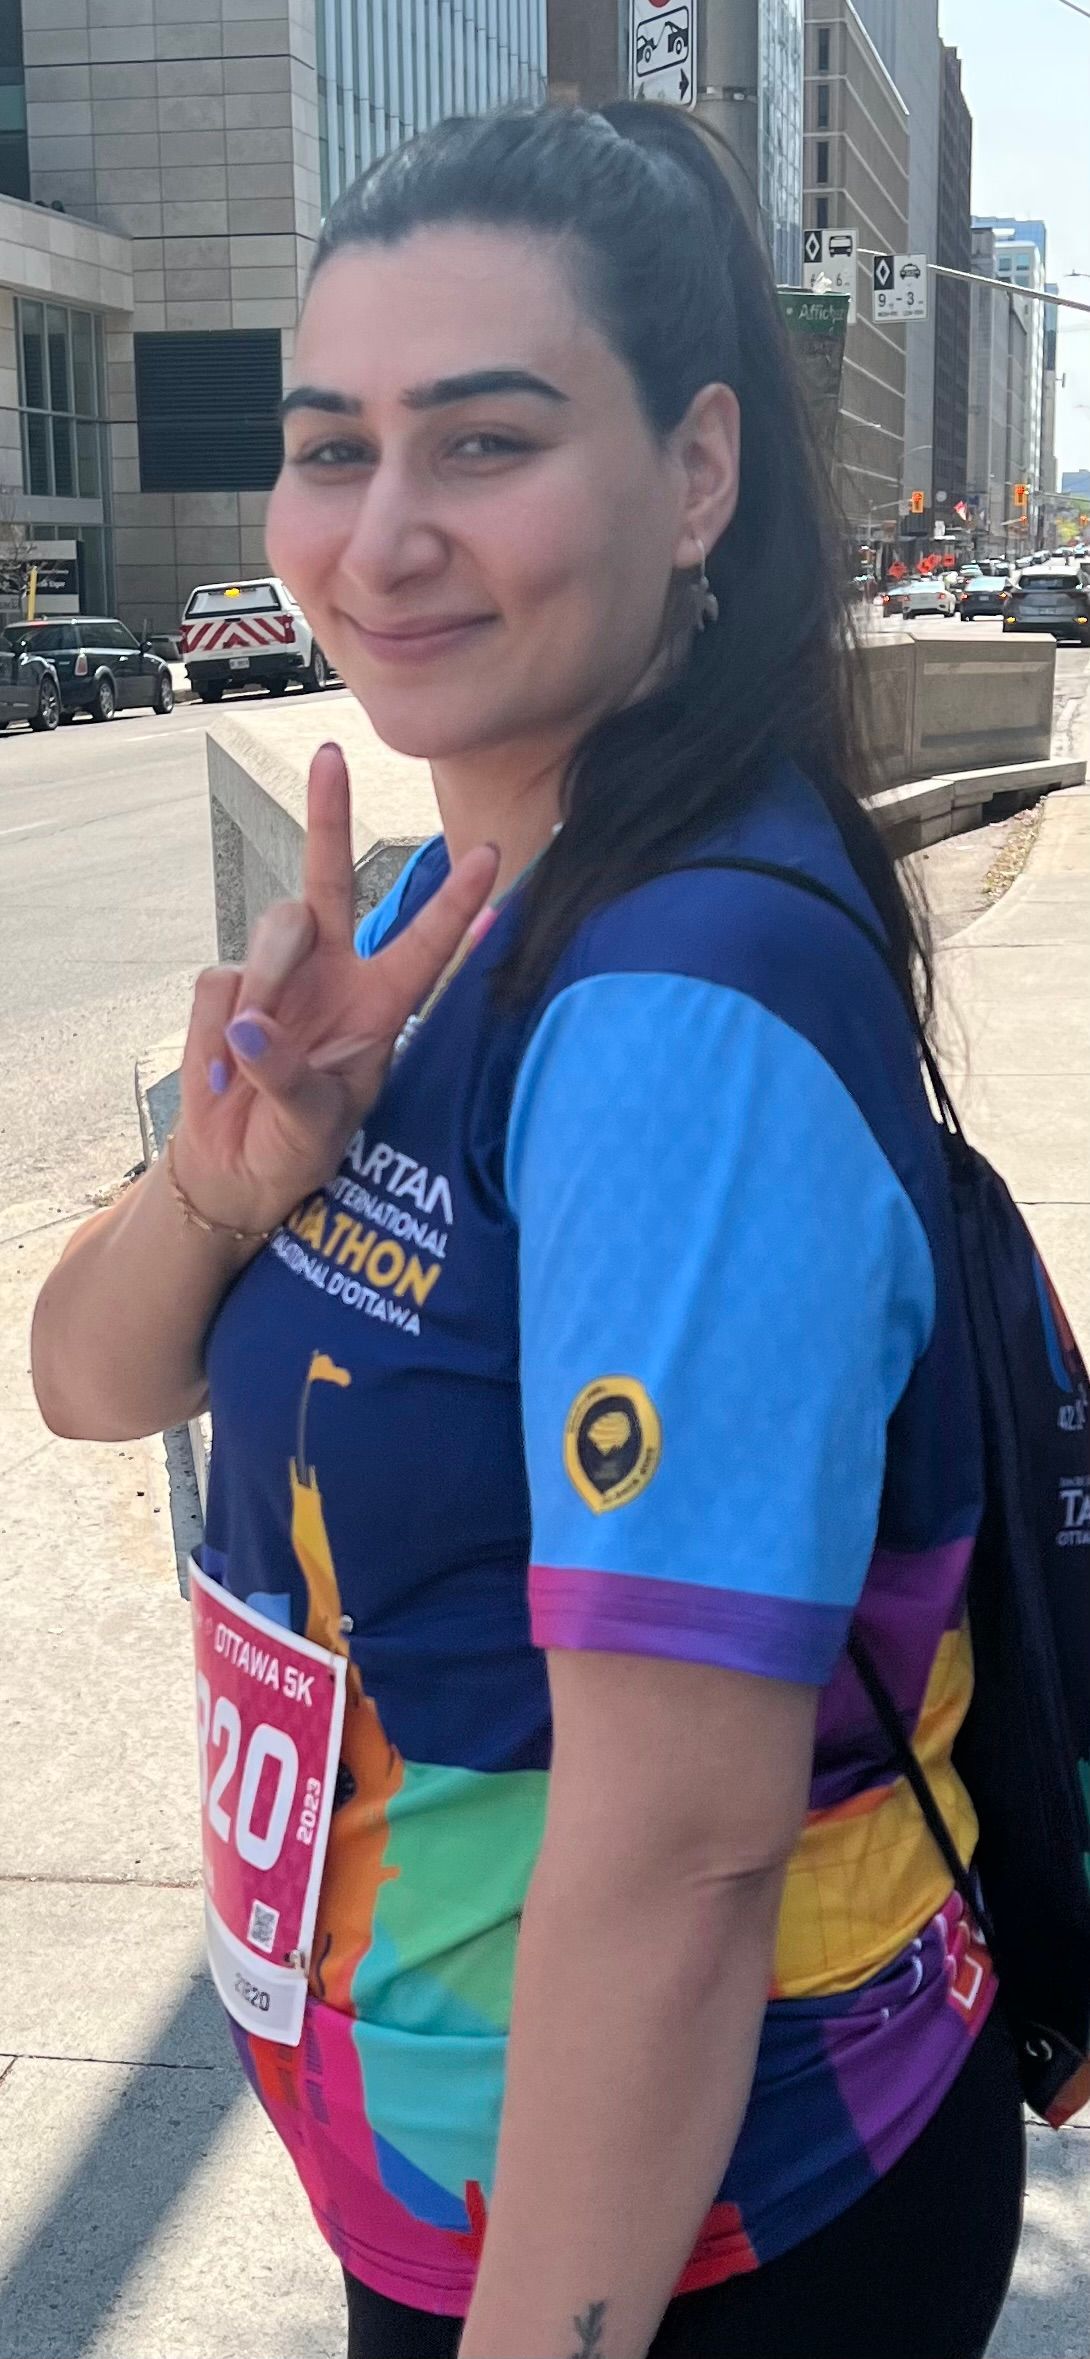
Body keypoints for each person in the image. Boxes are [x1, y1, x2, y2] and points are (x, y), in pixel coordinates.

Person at [32, 103, 1025, 2359]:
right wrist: (229, 1171)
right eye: (328, 446)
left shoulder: (677, 1016)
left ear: (691, 478)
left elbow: (677, 1861)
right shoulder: (431, 920)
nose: (379, 535)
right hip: (480, 2181)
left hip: (685, 2239)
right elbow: (90, 1384)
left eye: (481, 439)